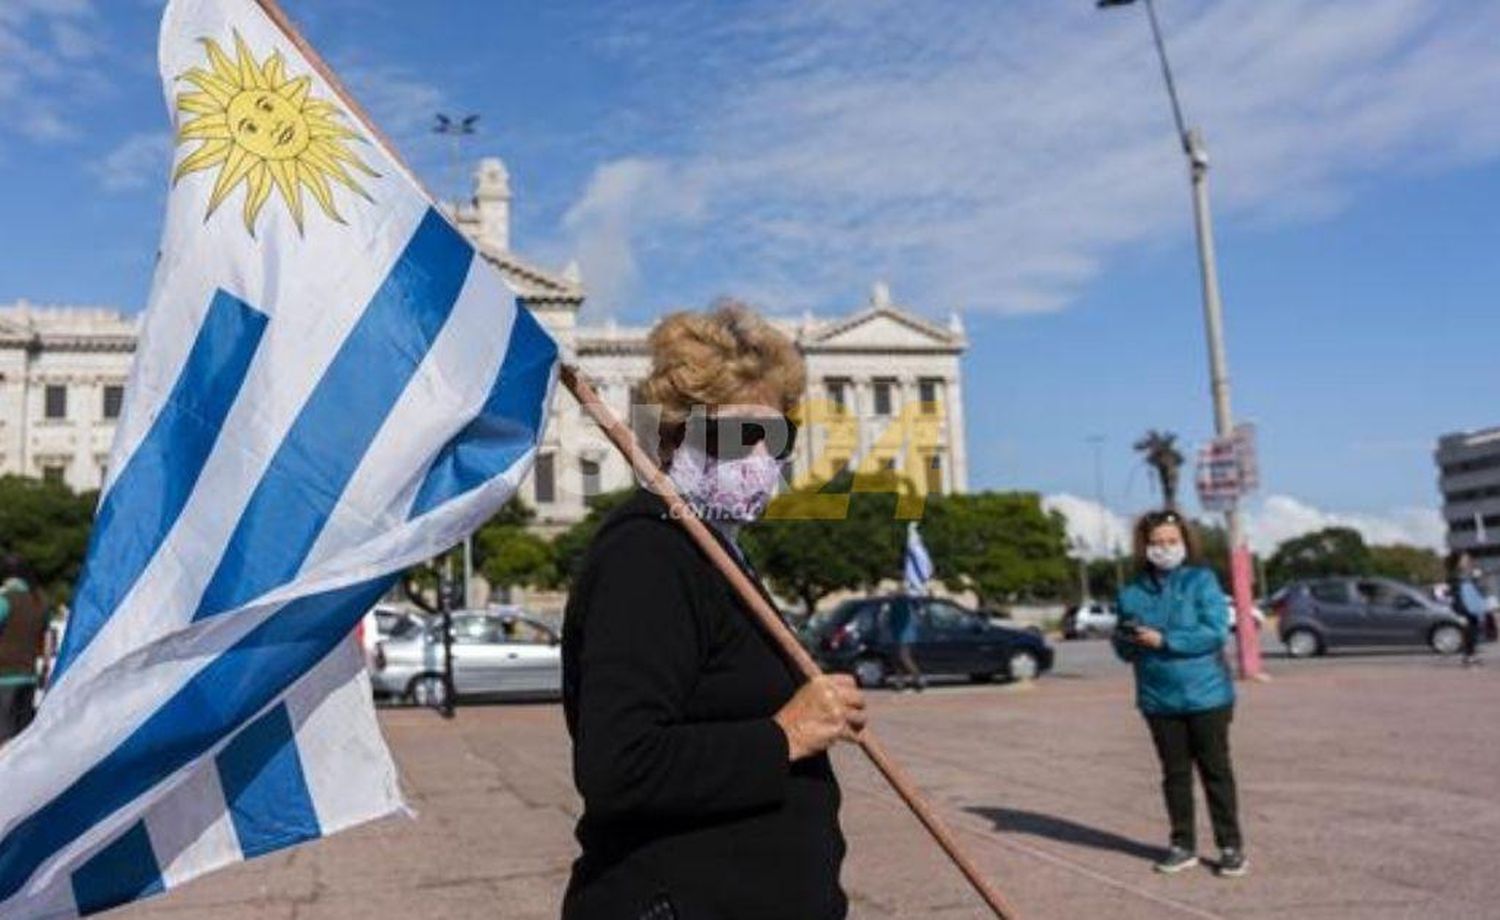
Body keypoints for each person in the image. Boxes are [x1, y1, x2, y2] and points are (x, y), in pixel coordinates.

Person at [561, 301, 865, 920]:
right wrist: (786, 734)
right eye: (736, 434)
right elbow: (620, 766)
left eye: (776, 434)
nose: (762, 455)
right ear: (673, 436)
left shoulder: (716, 546)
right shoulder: (648, 552)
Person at [1113, 510, 1246, 878]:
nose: (1165, 548)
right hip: (1159, 698)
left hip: (1207, 696)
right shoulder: (1131, 592)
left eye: (1172, 541)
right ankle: (1182, 844)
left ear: (1185, 542)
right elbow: (1123, 650)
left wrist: (1165, 640)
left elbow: (1215, 631)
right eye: (1157, 542)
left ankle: (1230, 846)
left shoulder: (1201, 581)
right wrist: (1127, 639)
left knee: (1216, 771)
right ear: (1145, 546)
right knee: (1174, 775)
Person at [0, 555, 48, 746]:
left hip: (4, 678)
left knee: (3, 740)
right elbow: (46, 639)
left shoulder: (5, 601)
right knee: (22, 743)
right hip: (29, 677)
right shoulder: (39, 602)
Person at [1446, 550, 1486, 666]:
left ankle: (1471, 656)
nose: (1467, 561)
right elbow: (1455, 595)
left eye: (1467, 559)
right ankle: (1467, 657)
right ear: (1458, 561)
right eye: (1464, 559)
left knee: (1474, 632)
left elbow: (1478, 589)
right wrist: (1459, 612)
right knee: (1468, 633)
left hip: (1472, 607)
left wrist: (1476, 578)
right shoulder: (1454, 576)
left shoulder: (1468, 574)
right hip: (1463, 608)